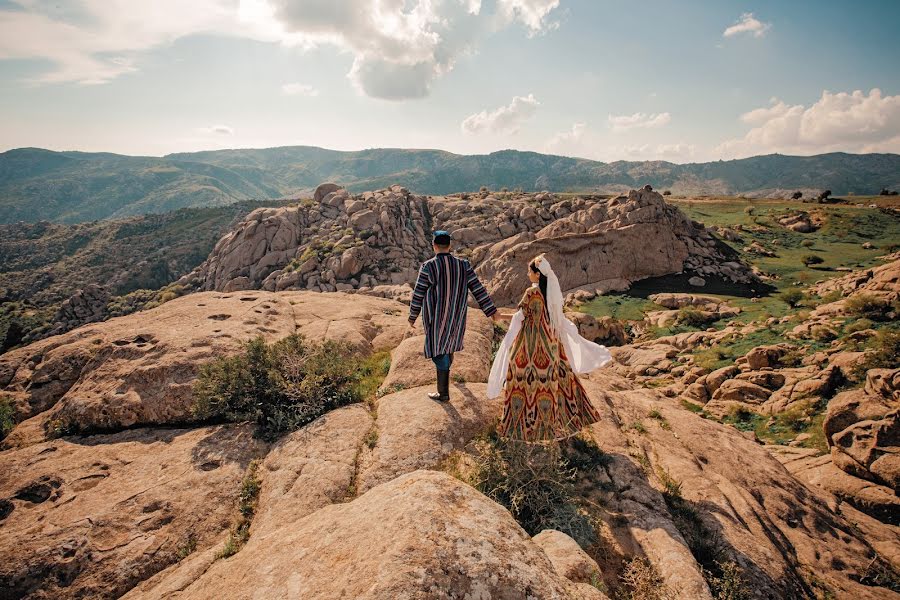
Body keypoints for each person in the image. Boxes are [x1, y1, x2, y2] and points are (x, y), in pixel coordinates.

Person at [488, 255, 611, 442]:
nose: (528, 274)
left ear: (537, 274)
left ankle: (522, 426)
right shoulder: (551, 294)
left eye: (530, 271)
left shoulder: (531, 293)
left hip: (530, 344)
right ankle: (565, 422)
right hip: (550, 343)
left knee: (521, 379)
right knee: (556, 379)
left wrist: (498, 317)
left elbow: (519, 317)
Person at [409, 230, 501, 402]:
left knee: (437, 350)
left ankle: (443, 393)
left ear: (434, 246)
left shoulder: (429, 266)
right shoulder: (463, 265)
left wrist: (412, 315)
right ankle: (444, 383)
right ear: (449, 246)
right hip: (456, 316)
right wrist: (491, 311)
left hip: (435, 316)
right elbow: (478, 289)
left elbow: (418, 293)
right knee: (448, 345)